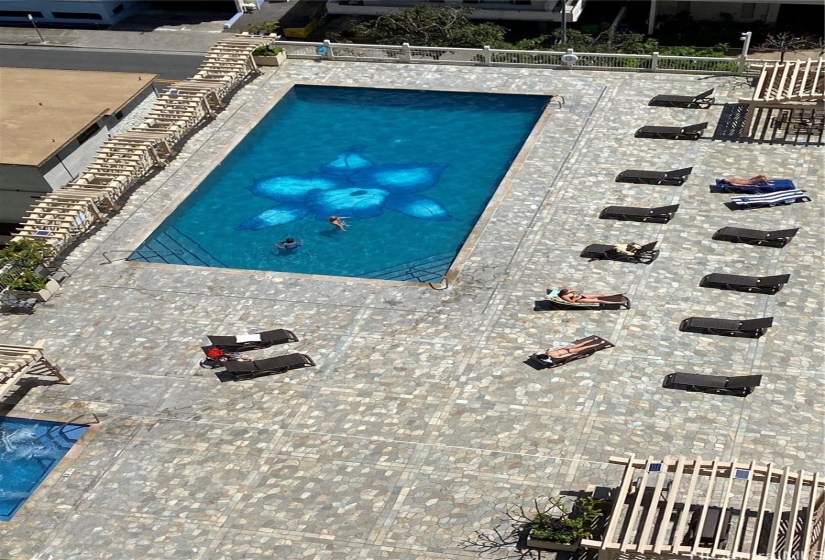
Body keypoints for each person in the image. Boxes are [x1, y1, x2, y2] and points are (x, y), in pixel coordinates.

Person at [536, 339, 608, 364]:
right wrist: (565, 346)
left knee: (586, 347)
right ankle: (594, 339)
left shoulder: (554, 356)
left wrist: (572, 354)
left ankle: (600, 343)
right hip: (568, 348)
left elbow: (564, 355)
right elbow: (556, 348)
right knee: (582, 344)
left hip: (570, 351)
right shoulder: (549, 352)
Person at [558, 288, 628, 307]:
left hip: (581, 296)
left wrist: (572, 291)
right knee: (600, 301)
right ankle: (619, 303)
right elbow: (571, 302)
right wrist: (576, 298)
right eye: (567, 292)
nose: (569, 292)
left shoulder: (567, 292)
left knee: (601, 295)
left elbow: (576, 290)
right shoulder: (564, 297)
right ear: (564, 294)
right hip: (579, 300)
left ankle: (619, 293)